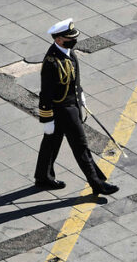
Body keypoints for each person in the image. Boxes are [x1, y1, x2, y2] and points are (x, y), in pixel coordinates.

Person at [34, 18, 119, 196]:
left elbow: (74, 79)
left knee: (51, 143)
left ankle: (43, 177)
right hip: (63, 110)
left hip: (72, 104)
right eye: (68, 37)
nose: (73, 40)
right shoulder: (52, 62)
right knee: (81, 147)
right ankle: (98, 184)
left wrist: (80, 95)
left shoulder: (68, 52)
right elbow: (46, 93)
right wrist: (47, 119)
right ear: (58, 39)